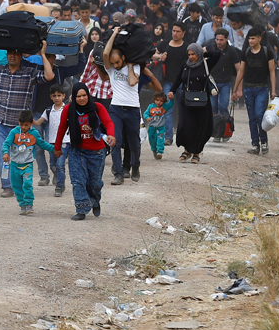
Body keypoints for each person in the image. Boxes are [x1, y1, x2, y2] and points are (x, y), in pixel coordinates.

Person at [0, 41, 53, 198]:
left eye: (16, 53)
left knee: (21, 159)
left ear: (21, 55)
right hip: (0, 124)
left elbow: (49, 76)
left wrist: (43, 54)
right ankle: (7, 187)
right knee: (3, 157)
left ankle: (21, 185)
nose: (12, 55)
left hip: (20, 127)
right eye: (10, 52)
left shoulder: (29, 72)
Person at [52, 83, 115, 220]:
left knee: (95, 183)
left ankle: (94, 199)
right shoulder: (68, 109)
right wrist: (57, 148)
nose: (82, 98)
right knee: (78, 181)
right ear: (74, 97)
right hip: (77, 151)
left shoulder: (98, 107)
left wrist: (111, 135)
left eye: (84, 95)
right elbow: (62, 128)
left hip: (97, 153)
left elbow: (108, 122)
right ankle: (81, 209)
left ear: (88, 95)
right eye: (78, 96)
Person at [104, 26, 150, 185]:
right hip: (115, 108)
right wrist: (114, 33)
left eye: (117, 62)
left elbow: (132, 81)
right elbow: (105, 53)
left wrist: (130, 65)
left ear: (123, 57)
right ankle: (118, 174)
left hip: (132, 109)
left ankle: (135, 166)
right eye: (112, 63)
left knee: (134, 142)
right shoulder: (110, 69)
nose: (115, 65)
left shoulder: (135, 66)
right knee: (114, 140)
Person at [168, 43, 221, 163]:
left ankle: (196, 152)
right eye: (189, 54)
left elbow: (217, 54)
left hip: (202, 101)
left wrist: (203, 54)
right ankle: (187, 150)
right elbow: (178, 78)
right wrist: (172, 90)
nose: (191, 57)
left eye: (193, 54)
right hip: (186, 101)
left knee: (200, 126)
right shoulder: (185, 65)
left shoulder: (206, 64)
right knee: (186, 125)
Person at [2, 110, 54, 215]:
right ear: (18, 122)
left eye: (26, 125)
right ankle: (22, 205)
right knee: (16, 186)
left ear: (31, 123)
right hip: (14, 165)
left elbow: (43, 144)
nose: (24, 127)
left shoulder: (34, 133)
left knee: (27, 184)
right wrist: (5, 153)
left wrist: (54, 149)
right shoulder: (14, 132)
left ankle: (29, 204)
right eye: (22, 124)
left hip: (27, 165)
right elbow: (6, 143)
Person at [233, 26, 276, 155]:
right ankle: (255, 144)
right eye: (249, 38)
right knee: (252, 118)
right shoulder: (245, 52)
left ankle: (264, 141)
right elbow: (241, 71)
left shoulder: (267, 52)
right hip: (248, 88)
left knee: (259, 115)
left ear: (259, 38)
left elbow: (272, 71)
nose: (251, 41)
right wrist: (235, 90)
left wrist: (273, 90)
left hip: (262, 88)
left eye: (253, 38)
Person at [153, 22, 189, 147]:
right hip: (168, 82)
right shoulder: (164, 44)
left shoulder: (187, 48)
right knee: (168, 109)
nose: (175, 33)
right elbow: (153, 55)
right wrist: (160, 56)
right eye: (173, 31)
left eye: (178, 31)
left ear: (183, 33)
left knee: (184, 110)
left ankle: (183, 136)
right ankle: (168, 137)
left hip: (183, 83)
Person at [33, 84, 72, 197]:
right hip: (52, 142)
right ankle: (60, 176)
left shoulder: (67, 109)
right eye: (54, 96)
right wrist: (29, 120)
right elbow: (38, 122)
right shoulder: (48, 111)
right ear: (51, 97)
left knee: (60, 165)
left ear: (64, 96)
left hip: (64, 141)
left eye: (59, 95)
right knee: (53, 165)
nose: (57, 98)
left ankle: (59, 186)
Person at [203, 29, 241, 123]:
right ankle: (214, 130)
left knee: (223, 106)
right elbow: (201, 54)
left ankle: (225, 129)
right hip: (212, 82)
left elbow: (239, 69)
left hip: (225, 82)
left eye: (221, 40)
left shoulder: (231, 50)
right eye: (217, 39)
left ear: (226, 39)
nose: (218, 42)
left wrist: (238, 89)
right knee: (213, 107)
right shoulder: (211, 46)